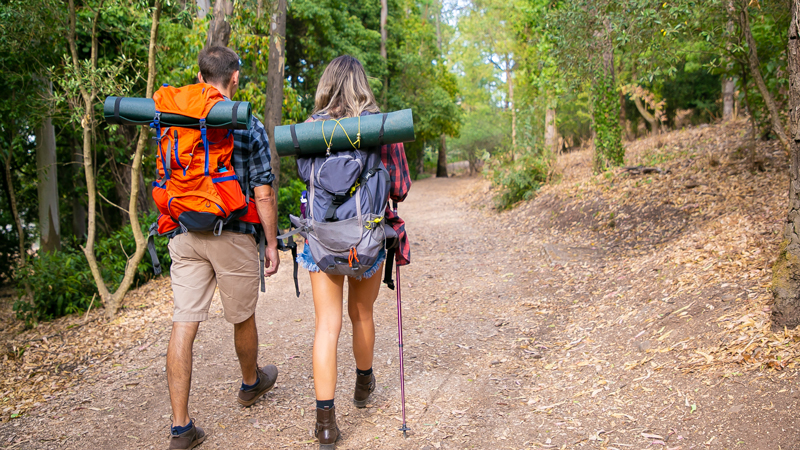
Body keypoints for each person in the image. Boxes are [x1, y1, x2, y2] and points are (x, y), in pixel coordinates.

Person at [165, 46, 281, 450]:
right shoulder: (246, 122)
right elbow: (262, 191)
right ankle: (250, 383)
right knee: (242, 314)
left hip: (184, 233)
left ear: (200, 77)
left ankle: (181, 427)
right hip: (232, 233)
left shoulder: (175, 118)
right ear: (234, 78)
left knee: (184, 322)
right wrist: (271, 242)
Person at [297, 55, 411, 448]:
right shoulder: (381, 127)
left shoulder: (310, 129)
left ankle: (325, 424)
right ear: (363, 84)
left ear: (327, 84)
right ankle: (363, 384)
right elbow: (400, 188)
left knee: (327, 325)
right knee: (361, 314)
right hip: (366, 238)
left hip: (321, 241)